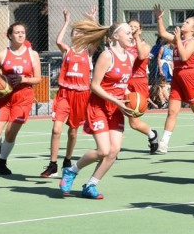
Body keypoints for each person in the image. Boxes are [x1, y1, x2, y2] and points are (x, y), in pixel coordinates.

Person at [60, 19, 141, 199]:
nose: (131, 35)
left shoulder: (130, 57)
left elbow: (123, 86)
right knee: (103, 150)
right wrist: (118, 101)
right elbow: (95, 86)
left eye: (132, 32)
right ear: (115, 36)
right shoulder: (107, 56)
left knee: (114, 151)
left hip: (116, 108)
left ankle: (91, 185)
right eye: (127, 32)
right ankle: (71, 170)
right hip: (99, 106)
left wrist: (134, 100)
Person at [0, 23, 41, 175]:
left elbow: (38, 79)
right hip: (5, 98)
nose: (21, 35)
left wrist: (23, 79)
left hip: (23, 98)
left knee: (10, 132)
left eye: (23, 32)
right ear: (10, 35)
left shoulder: (32, 54)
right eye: (17, 32)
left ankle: (2, 162)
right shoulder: (2, 55)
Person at [41, 10, 92, 178]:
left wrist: (91, 20)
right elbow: (57, 40)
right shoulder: (67, 50)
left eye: (80, 32)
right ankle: (52, 164)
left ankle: (67, 160)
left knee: (73, 132)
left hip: (81, 95)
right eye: (74, 31)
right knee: (56, 129)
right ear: (71, 35)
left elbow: (98, 37)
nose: (77, 34)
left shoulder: (88, 51)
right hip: (64, 93)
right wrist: (66, 21)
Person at [154, 11, 194, 154]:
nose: (184, 23)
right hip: (177, 77)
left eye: (187, 22)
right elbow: (163, 33)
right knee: (172, 111)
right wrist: (159, 19)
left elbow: (183, 57)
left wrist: (177, 39)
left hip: (190, 78)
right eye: (184, 21)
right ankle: (164, 143)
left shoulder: (193, 42)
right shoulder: (178, 40)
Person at [124, 16, 157, 153]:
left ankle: (152, 134)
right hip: (124, 81)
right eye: (129, 26)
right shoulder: (123, 45)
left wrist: (136, 38)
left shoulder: (145, 45)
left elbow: (142, 56)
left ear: (140, 30)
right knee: (115, 114)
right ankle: (111, 151)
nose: (131, 29)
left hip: (139, 82)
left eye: (134, 27)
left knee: (134, 123)